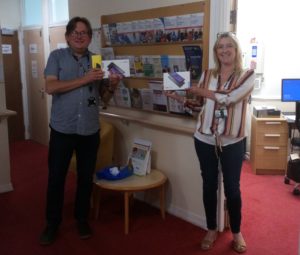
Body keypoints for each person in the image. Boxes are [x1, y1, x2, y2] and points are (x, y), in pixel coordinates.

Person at [166, 32, 255, 253]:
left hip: (232, 142)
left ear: (236, 50)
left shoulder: (247, 75)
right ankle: (211, 229)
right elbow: (201, 105)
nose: (224, 50)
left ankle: (236, 232)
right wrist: (181, 99)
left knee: (233, 190)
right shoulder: (207, 75)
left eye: (229, 46)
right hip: (204, 139)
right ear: (216, 52)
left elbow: (229, 98)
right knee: (209, 185)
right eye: (220, 47)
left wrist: (200, 91)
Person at [39, 16, 121, 245]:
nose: (79, 35)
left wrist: (112, 85)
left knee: (85, 178)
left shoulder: (96, 60)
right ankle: (52, 223)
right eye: (74, 32)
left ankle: (81, 218)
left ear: (89, 37)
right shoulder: (56, 57)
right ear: (67, 36)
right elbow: (50, 86)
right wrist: (84, 78)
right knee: (56, 178)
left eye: (84, 32)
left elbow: (102, 98)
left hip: (89, 129)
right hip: (62, 129)